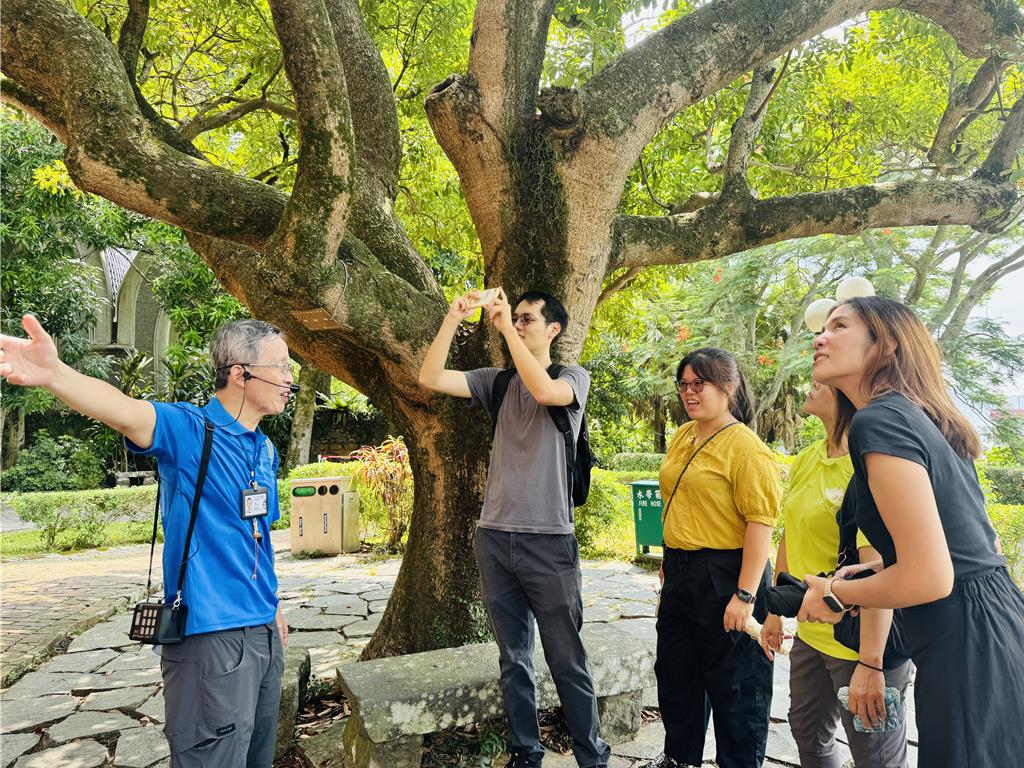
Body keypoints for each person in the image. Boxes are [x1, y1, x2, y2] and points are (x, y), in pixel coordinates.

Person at [0, 315, 292, 768]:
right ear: (240, 372)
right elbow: (124, 408)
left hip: (262, 633)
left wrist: (273, 608)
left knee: (257, 757)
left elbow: (256, 541)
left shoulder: (264, 448)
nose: (290, 379)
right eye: (282, 367)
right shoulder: (191, 430)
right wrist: (55, 374)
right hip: (210, 635)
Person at [797, 296, 1024, 767]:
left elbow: (932, 577)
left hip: (966, 640)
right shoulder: (918, 415)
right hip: (994, 619)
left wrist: (836, 594)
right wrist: (871, 575)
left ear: (888, 344)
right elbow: (976, 545)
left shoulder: (879, 421)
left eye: (840, 326)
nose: (820, 336)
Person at [418, 288, 610, 768]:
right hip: (495, 538)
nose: (518, 324)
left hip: (550, 541)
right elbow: (430, 376)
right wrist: (453, 315)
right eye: (514, 318)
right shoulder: (496, 382)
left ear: (553, 330)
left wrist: (504, 329)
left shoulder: (573, 377)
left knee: (567, 660)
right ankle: (526, 750)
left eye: (528, 319)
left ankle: (593, 755)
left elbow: (545, 392)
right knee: (513, 659)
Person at [642, 348, 781, 768]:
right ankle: (679, 758)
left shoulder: (747, 448)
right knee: (677, 670)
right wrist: (670, 568)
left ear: (729, 387)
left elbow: (760, 524)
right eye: (683, 384)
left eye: (699, 384)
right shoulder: (685, 435)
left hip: (730, 570)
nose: (689, 392)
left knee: (736, 683)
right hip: (682, 569)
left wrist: (745, 594)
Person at [760, 383, 911, 768]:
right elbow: (789, 539)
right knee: (807, 734)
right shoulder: (809, 458)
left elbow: (881, 568)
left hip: (861, 642)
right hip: (812, 635)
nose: (809, 383)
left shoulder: (870, 464)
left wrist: (871, 663)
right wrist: (777, 610)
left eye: (823, 380)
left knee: (875, 754)